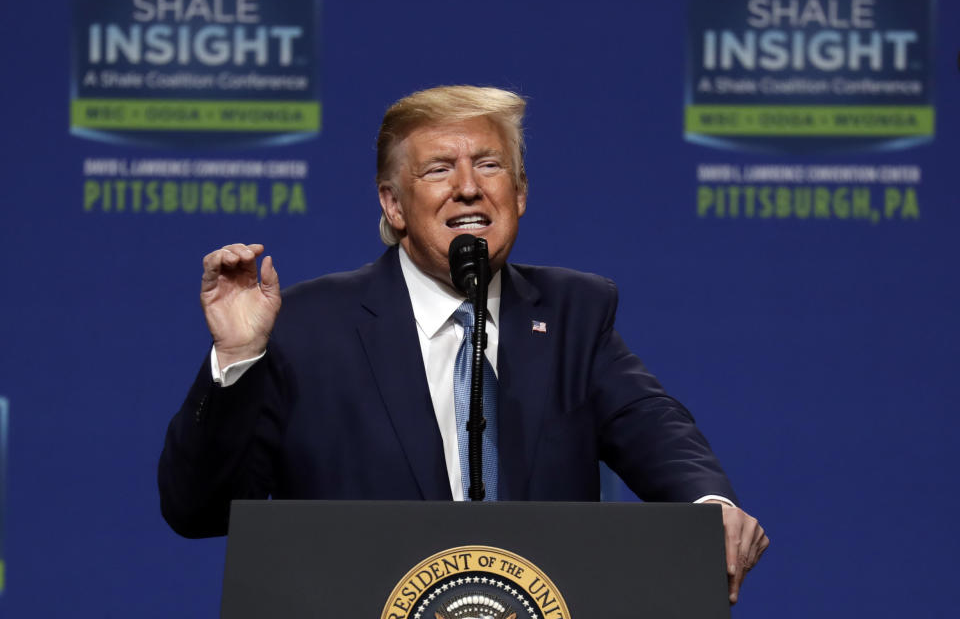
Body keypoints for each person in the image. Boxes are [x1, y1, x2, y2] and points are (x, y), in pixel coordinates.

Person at [159, 85, 768, 603]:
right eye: (437, 169)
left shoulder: (571, 315)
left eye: (490, 164)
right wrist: (238, 360)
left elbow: (654, 426)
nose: (468, 187)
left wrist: (708, 502)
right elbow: (199, 511)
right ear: (393, 204)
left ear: (521, 193)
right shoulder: (306, 326)